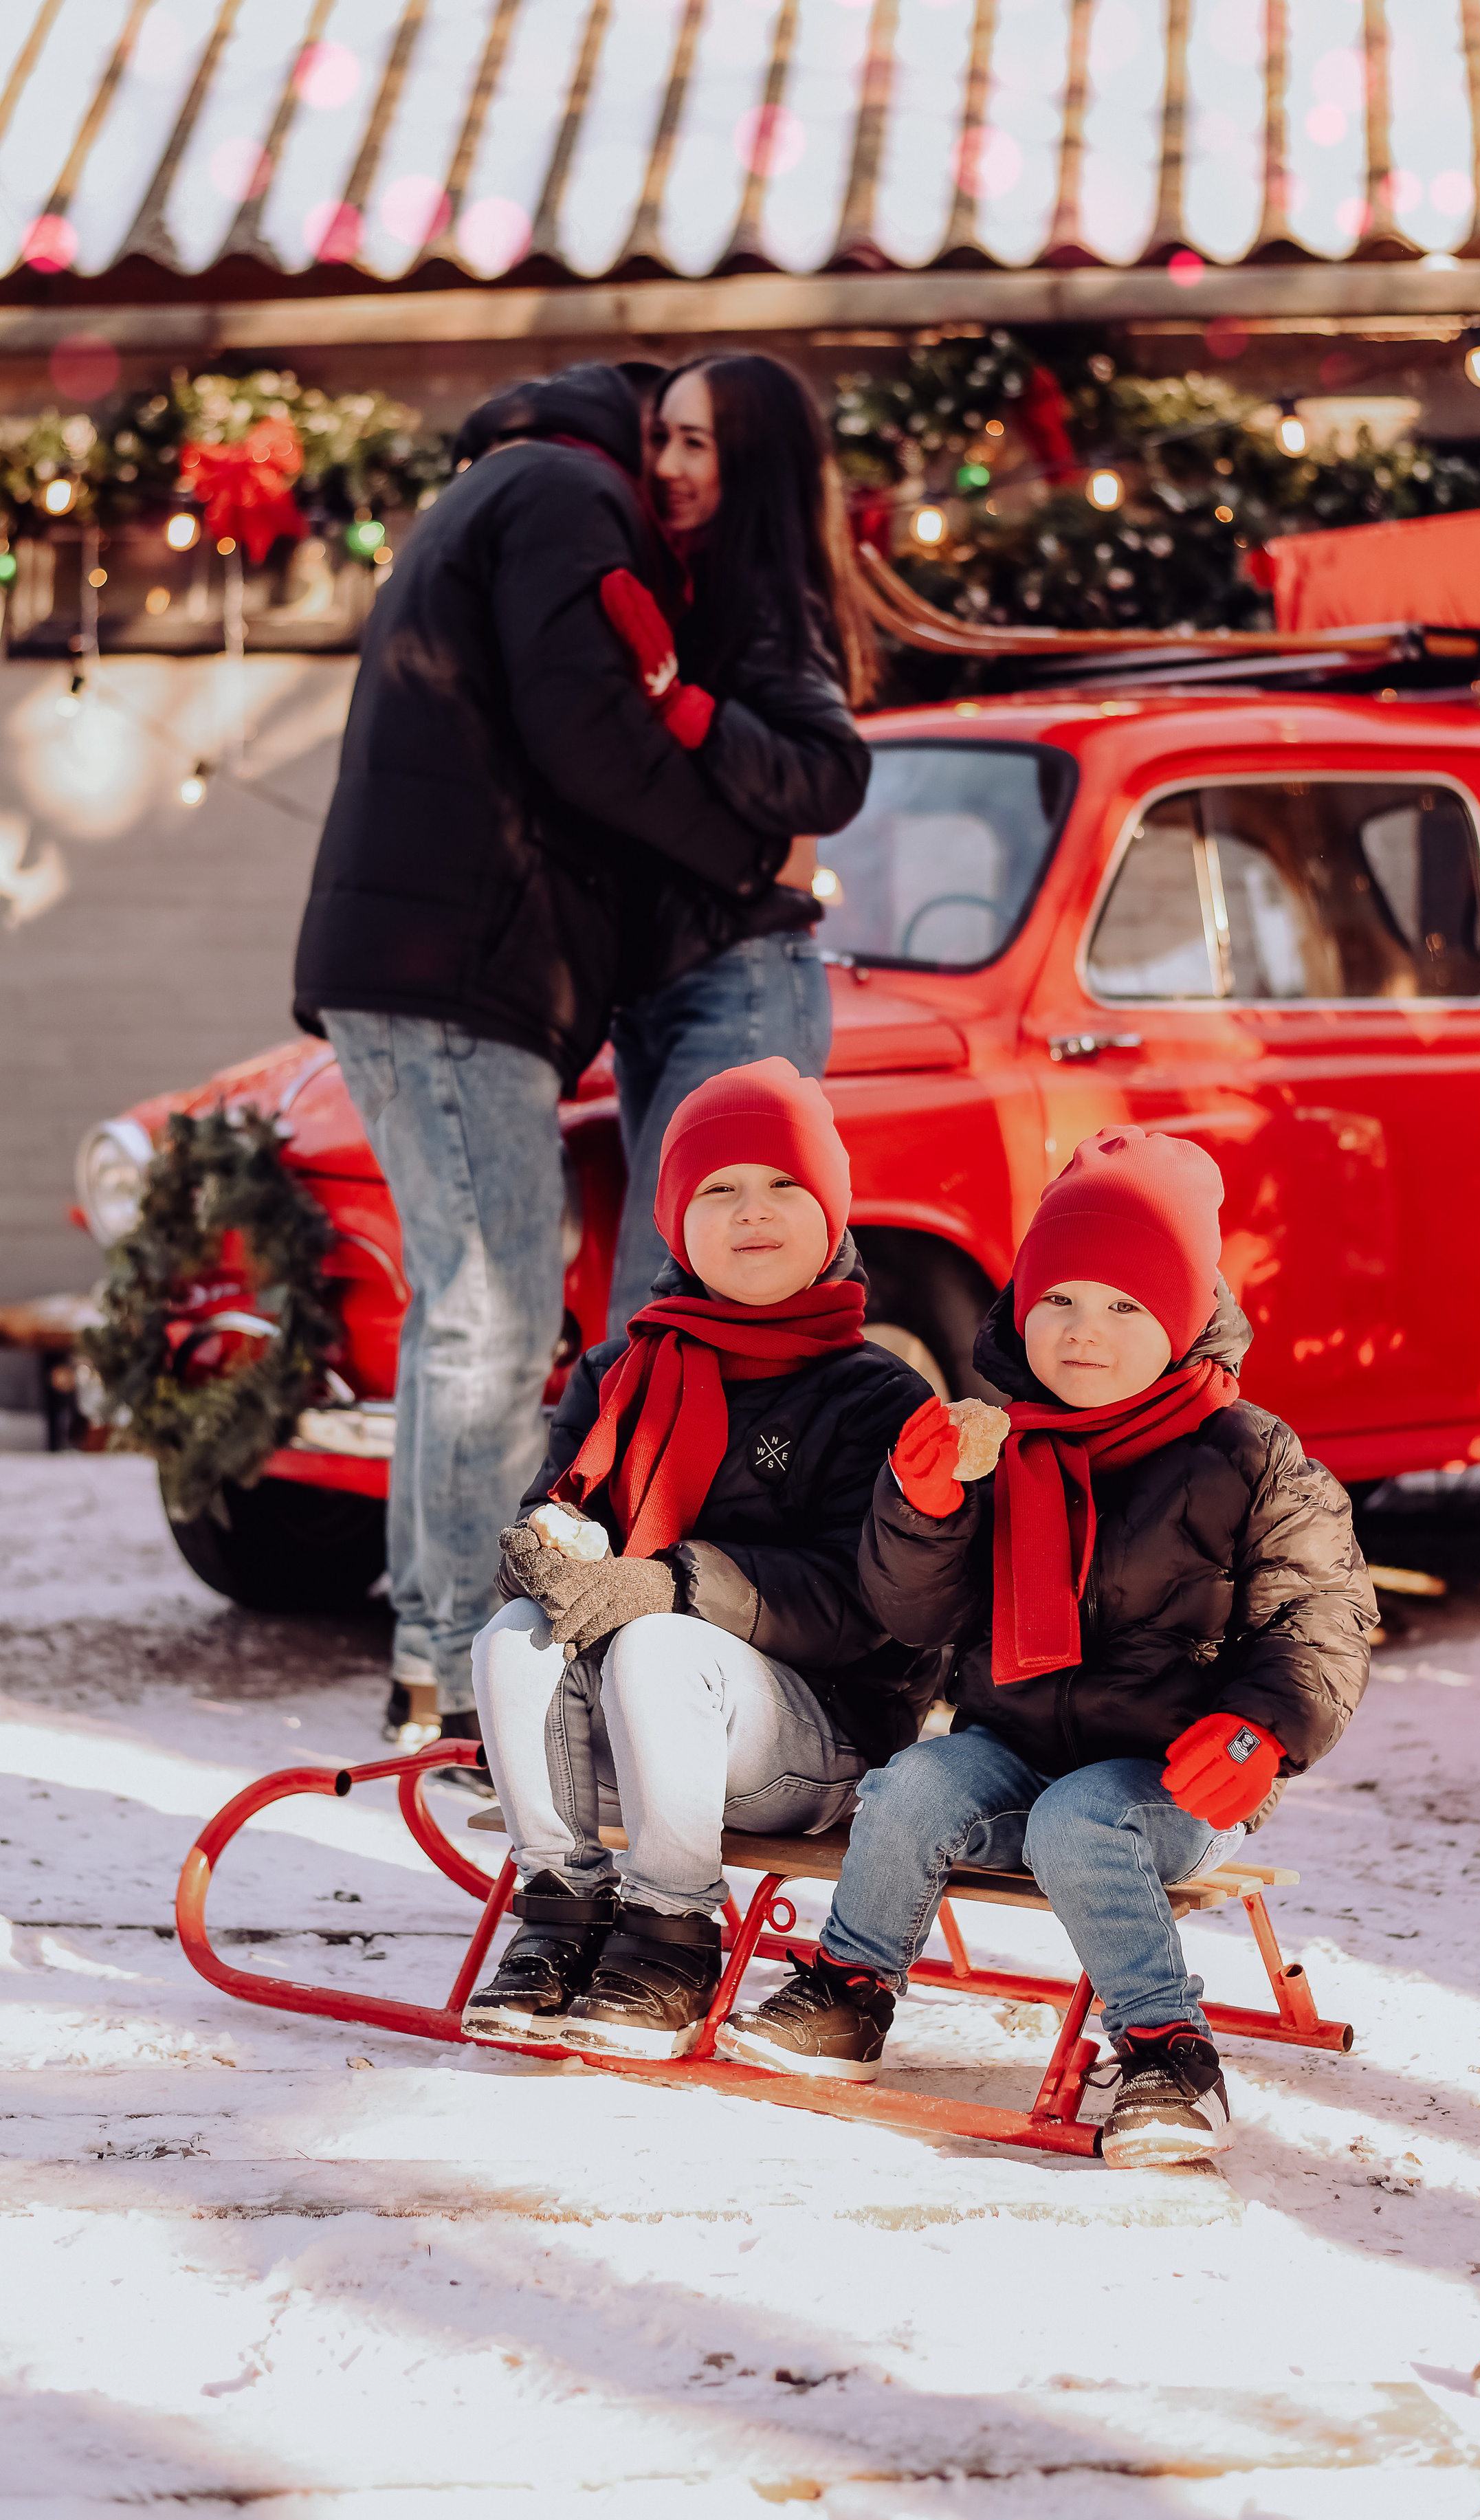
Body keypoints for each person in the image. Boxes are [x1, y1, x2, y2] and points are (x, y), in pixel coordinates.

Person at [291, 364, 788, 1745]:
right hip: (453, 971)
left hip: (422, 966)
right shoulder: (570, 499)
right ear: (630, 436)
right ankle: (459, 1674)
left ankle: (427, 1657)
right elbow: (592, 734)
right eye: (671, 442)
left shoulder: (489, 494)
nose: (682, 477)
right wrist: (751, 851)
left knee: (470, 1314)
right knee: (493, 1320)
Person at [727, 1127, 1378, 2169]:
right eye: (1060, 1299)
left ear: (1179, 1320)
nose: (1084, 1331)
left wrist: (1263, 1728)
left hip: (1178, 1775)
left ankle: (1170, 2055)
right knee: (914, 1786)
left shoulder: (1253, 1456)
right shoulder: (998, 1438)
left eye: (1125, 1306)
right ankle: (848, 1992)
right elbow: (918, 1616)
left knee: (1084, 1818)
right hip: (1016, 1742)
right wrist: (923, 1508)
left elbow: (1322, 1618)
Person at [462, 1059, 942, 2059]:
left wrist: (671, 1582)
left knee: (657, 1646)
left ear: (831, 1214)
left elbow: (868, 1606)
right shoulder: (616, 1372)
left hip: (816, 1741)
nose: (751, 1213)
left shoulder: (875, 1396)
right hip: (631, 1746)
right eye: (718, 1190)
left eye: (783, 1187)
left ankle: (675, 1933)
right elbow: (558, 1515)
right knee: (515, 1634)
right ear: (679, 1222)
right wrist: (541, 1551)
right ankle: (562, 1909)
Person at [600, 351, 879, 1335]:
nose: (667, 464)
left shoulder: (765, 600)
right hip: (684, 983)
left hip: (742, 980)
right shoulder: (703, 586)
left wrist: (684, 706)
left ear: (750, 462)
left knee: (659, 1307)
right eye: (660, 439)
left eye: (695, 443)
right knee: (672, 1309)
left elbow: (830, 773)